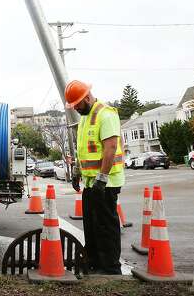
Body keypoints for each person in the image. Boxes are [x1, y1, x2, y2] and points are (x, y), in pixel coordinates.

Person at [65, 80, 125, 275]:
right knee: (91, 225)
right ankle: (94, 262)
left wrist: (102, 178)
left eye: (77, 105)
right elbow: (84, 150)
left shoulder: (106, 115)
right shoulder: (85, 117)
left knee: (105, 225)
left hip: (106, 182)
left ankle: (110, 267)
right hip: (91, 182)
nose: (76, 109)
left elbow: (110, 148)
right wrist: (77, 172)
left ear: (87, 98)